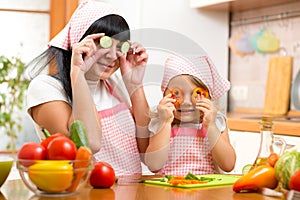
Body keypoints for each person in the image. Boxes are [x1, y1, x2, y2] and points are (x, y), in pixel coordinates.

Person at [25, 0, 150, 176]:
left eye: (121, 46)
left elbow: (148, 152)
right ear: (80, 42)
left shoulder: (112, 85)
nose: (113, 55)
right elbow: (87, 145)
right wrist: (80, 76)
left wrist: (135, 85)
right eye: (104, 42)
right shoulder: (45, 87)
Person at [144, 54, 236, 175]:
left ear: (209, 96)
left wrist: (211, 125)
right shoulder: (160, 121)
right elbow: (154, 165)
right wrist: (165, 122)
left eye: (196, 94)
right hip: (168, 189)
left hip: (208, 190)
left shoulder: (216, 121)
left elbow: (228, 165)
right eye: (176, 94)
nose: (186, 103)